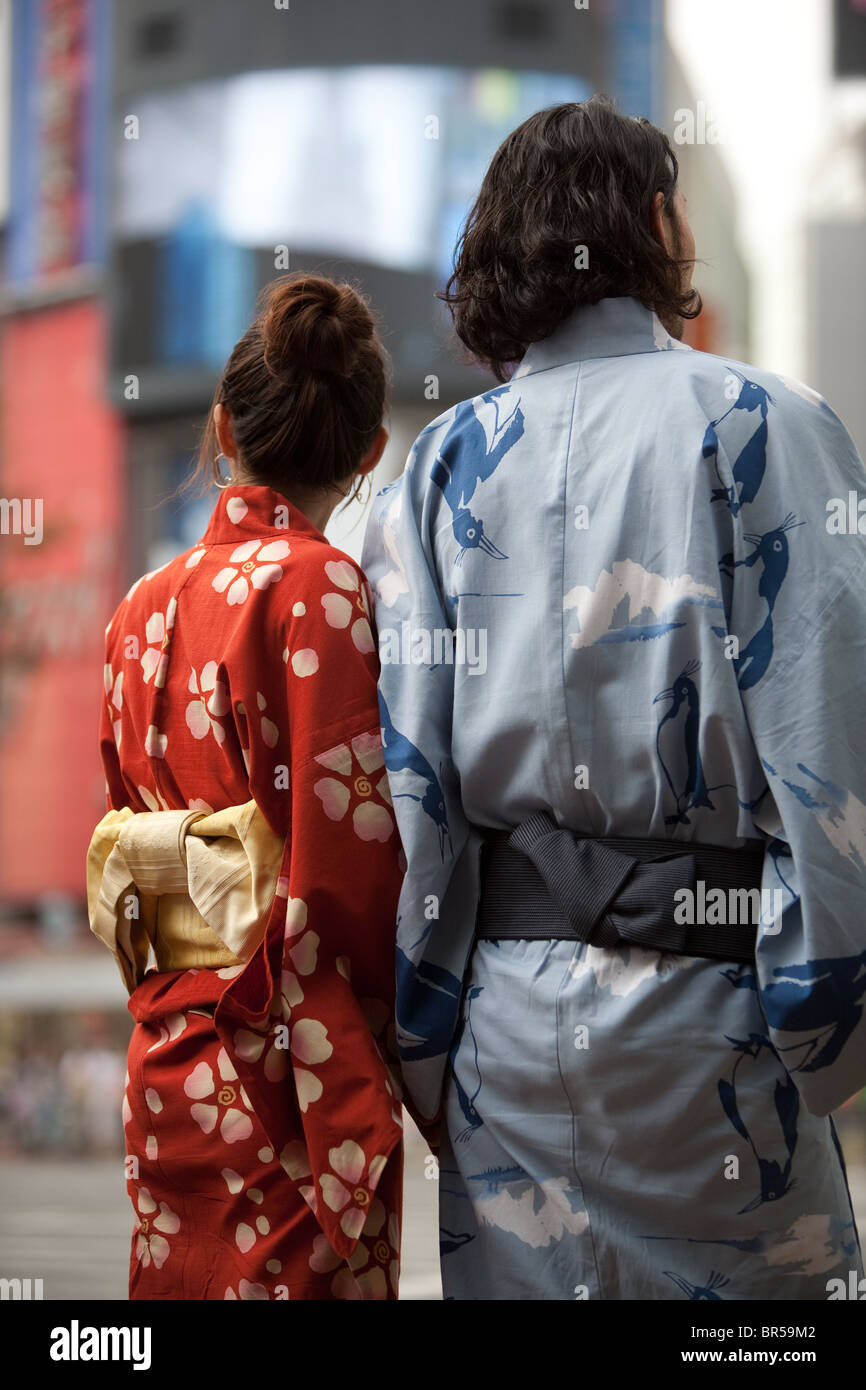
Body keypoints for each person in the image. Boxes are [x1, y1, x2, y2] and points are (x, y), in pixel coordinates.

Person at [360, 95, 866, 1300]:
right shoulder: (767, 426)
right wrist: (819, 1029)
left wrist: (433, 1050)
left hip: (503, 1041)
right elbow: (824, 760)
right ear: (652, 220)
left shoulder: (430, 472)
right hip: (712, 1032)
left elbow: (413, 804)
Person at [89, 274, 405, 1300]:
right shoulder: (320, 588)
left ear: (222, 428)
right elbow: (346, 876)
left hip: (165, 1051)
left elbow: (123, 850)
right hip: (285, 1080)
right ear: (368, 451)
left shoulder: (137, 608)